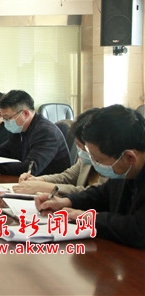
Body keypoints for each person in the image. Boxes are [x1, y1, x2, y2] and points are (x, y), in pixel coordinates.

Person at [37, 105, 145, 248]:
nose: (94, 163)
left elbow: (138, 230)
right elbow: (103, 193)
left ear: (129, 157)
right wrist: (67, 201)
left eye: (98, 160)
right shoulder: (125, 169)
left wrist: (89, 218)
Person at [14, 108, 106, 196]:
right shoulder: (87, 159)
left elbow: (93, 194)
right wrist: (39, 180)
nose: (81, 151)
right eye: (78, 146)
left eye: (84, 148)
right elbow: (67, 177)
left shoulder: (110, 165)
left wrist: (47, 187)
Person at [0, 90, 70, 176]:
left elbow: (29, 168)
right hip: (28, 182)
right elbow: (1, 152)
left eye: (7, 118)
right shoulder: (20, 129)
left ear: (25, 114)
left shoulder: (46, 132)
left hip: (48, 183)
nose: (5, 121)